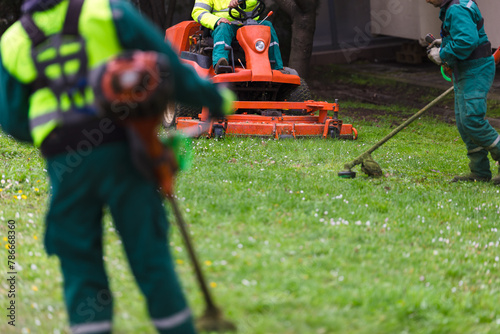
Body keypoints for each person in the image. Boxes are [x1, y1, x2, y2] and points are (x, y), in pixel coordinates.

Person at [0, 0, 233, 333]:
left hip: (65, 162)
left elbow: (12, 120)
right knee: (148, 253)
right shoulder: (108, 11)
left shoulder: (12, 41)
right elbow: (167, 63)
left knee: (79, 259)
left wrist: (52, 135)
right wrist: (216, 98)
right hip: (125, 149)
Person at [425, 0, 500, 185]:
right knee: (464, 123)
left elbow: (467, 40)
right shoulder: (456, 6)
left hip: (475, 70)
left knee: (472, 120)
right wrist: (445, 42)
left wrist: (442, 54)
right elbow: (466, 35)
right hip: (467, 69)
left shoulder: (456, 9)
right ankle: (480, 172)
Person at [192, 0, 285, 74]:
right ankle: (220, 64)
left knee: (267, 26)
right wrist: (217, 20)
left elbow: (254, 3)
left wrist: (242, 2)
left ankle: (277, 67)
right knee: (223, 27)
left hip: (248, 24)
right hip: (225, 24)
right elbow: (199, 12)